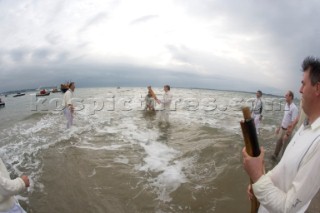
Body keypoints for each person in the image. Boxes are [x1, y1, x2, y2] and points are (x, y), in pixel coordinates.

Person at [242, 56, 320, 212]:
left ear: (317, 88)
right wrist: (261, 182)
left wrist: (257, 176)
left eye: (303, 84)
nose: (300, 90)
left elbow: (288, 208)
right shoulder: (305, 128)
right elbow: (282, 169)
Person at [272, 90, 299, 160]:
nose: (285, 96)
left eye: (286, 95)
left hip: (287, 131)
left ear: (291, 97)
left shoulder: (294, 108)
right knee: (278, 144)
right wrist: (279, 127)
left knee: (285, 148)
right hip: (282, 128)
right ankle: (274, 157)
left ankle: (282, 162)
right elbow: (284, 118)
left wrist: (287, 134)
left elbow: (293, 123)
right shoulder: (286, 105)